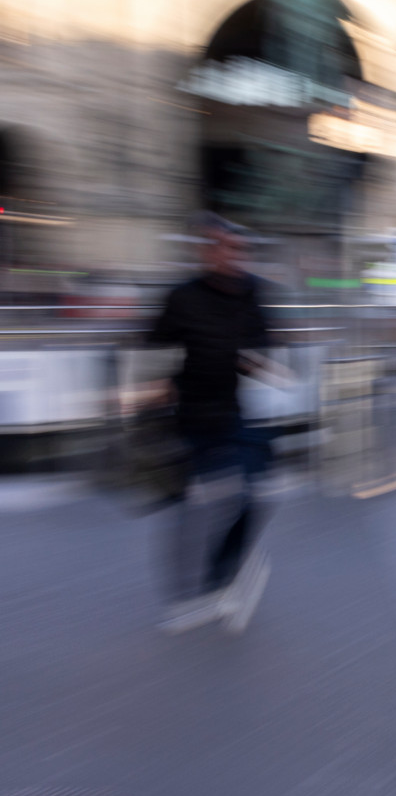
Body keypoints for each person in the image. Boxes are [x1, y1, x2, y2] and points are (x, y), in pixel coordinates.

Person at [147, 212, 277, 633]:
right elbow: (155, 345)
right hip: (187, 416)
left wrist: (256, 364)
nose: (229, 255)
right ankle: (191, 594)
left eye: (236, 248)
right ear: (202, 251)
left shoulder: (253, 293)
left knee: (252, 496)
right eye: (217, 246)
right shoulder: (182, 297)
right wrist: (156, 385)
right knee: (189, 510)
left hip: (232, 412)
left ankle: (223, 576)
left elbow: (262, 348)